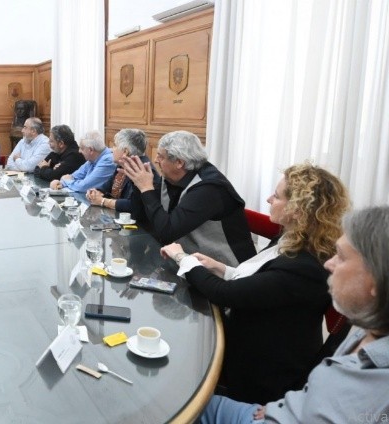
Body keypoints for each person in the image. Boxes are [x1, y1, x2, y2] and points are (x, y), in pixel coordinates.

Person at [161, 164, 350, 404]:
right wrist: (220, 267)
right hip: (257, 339)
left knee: (177, 369)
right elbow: (262, 282)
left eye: (277, 196)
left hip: (263, 373)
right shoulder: (295, 237)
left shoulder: (305, 265)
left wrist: (182, 258)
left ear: (298, 210)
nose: (269, 199)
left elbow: (225, 294)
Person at [198, 205, 389, 423]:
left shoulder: (372, 386)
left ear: (376, 281)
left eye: (342, 257)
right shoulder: (368, 332)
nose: (329, 263)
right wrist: (284, 405)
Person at [122, 130, 255, 265]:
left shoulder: (209, 188)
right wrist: (137, 184)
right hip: (187, 261)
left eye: (161, 156)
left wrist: (146, 188)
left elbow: (167, 233)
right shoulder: (173, 178)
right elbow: (143, 218)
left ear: (179, 162)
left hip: (226, 269)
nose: (156, 160)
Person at [86, 128, 159, 212]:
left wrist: (103, 201)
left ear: (125, 151)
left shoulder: (143, 171)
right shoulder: (122, 165)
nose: (112, 149)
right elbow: (107, 186)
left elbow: (133, 205)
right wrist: (96, 191)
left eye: (115, 145)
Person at [50, 130, 116, 193]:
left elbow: (84, 186)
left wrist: (66, 181)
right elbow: (74, 176)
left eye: (82, 148)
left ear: (91, 150)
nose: (79, 151)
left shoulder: (108, 161)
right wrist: (61, 183)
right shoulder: (91, 159)